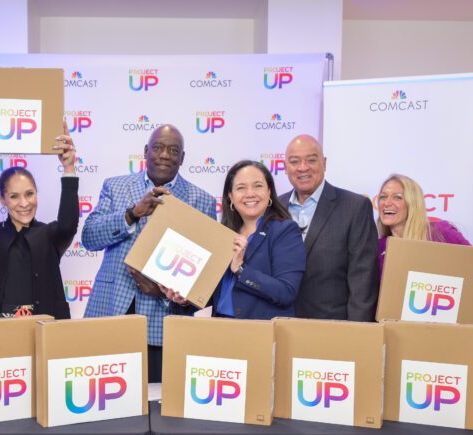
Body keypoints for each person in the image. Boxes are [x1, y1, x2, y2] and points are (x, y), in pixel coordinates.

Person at [81, 124, 215, 382]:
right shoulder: (116, 187)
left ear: (182, 158)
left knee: (156, 404)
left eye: (173, 150)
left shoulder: (202, 201)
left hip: (163, 321)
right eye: (158, 147)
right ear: (146, 151)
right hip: (110, 311)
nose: (165, 155)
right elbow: (89, 238)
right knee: (105, 399)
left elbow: (203, 282)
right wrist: (132, 214)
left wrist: (166, 293)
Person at [0, 122, 78, 319]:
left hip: (45, 334)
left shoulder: (50, 235)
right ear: (2, 200)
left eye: (29, 194)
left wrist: (69, 168)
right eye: (14, 196)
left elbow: (68, 224)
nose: (24, 203)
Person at [163, 160, 305, 319]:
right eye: (241, 188)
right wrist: (185, 300)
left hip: (261, 333)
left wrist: (241, 270)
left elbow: (286, 292)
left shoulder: (284, 231)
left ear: (269, 192)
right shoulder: (223, 234)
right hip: (220, 329)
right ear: (230, 196)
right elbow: (213, 294)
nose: (250, 193)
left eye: (258, 186)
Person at [277, 134, 379, 322]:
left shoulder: (355, 207)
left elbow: (363, 281)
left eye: (311, 160)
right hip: (279, 326)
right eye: (294, 161)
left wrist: (358, 335)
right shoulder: (274, 207)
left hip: (333, 330)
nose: (303, 167)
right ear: (285, 167)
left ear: (324, 163)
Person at [376, 173, 473, 324]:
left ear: (413, 203)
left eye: (397, 197)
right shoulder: (378, 247)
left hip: (441, 332)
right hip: (395, 334)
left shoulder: (440, 232)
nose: (387, 202)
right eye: (383, 197)